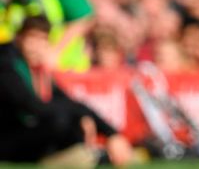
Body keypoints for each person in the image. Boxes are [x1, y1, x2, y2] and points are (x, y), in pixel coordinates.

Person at [0, 16, 133, 166]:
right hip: (7, 139)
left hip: (25, 136)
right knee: (61, 120)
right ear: (19, 38)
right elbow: (32, 106)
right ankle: (78, 158)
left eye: (42, 40)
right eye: (32, 38)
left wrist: (111, 134)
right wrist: (78, 113)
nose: (36, 46)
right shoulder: (6, 64)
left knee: (72, 119)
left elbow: (66, 100)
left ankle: (84, 156)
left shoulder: (37, 69)